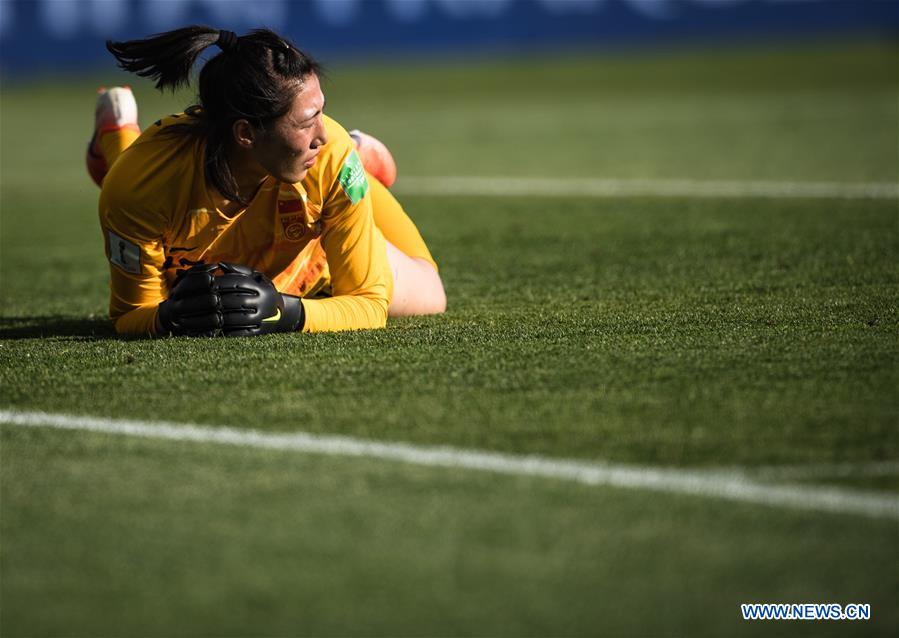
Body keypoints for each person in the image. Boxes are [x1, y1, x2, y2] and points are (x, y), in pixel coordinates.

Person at [88, 25, 446, 337]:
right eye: (307, 122)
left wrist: (286, 311)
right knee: (134, 182)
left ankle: (362, 162)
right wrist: (169, 317)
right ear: (246, 133)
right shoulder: (141, 187)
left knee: (431, 296)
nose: (323, 134)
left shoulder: (330, 157)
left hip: (316, 247)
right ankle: (115, 131)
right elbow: (130, 315)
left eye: (322, 112)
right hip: (150, 182)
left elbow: (368, 303)